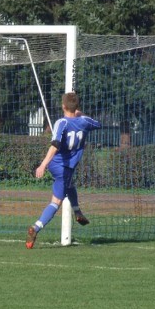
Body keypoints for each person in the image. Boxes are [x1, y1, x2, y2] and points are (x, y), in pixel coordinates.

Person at [26, 91, 102, 249]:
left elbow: (55, 144)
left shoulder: (62, 123)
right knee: (56, 202)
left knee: (70, 186)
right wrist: (43, 165)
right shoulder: (85, 121)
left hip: (60, 166)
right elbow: (98, 124)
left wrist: (44, 164)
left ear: (63, 106)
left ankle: (78, 212)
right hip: (62, 167)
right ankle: (36, 228)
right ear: (77, 107)